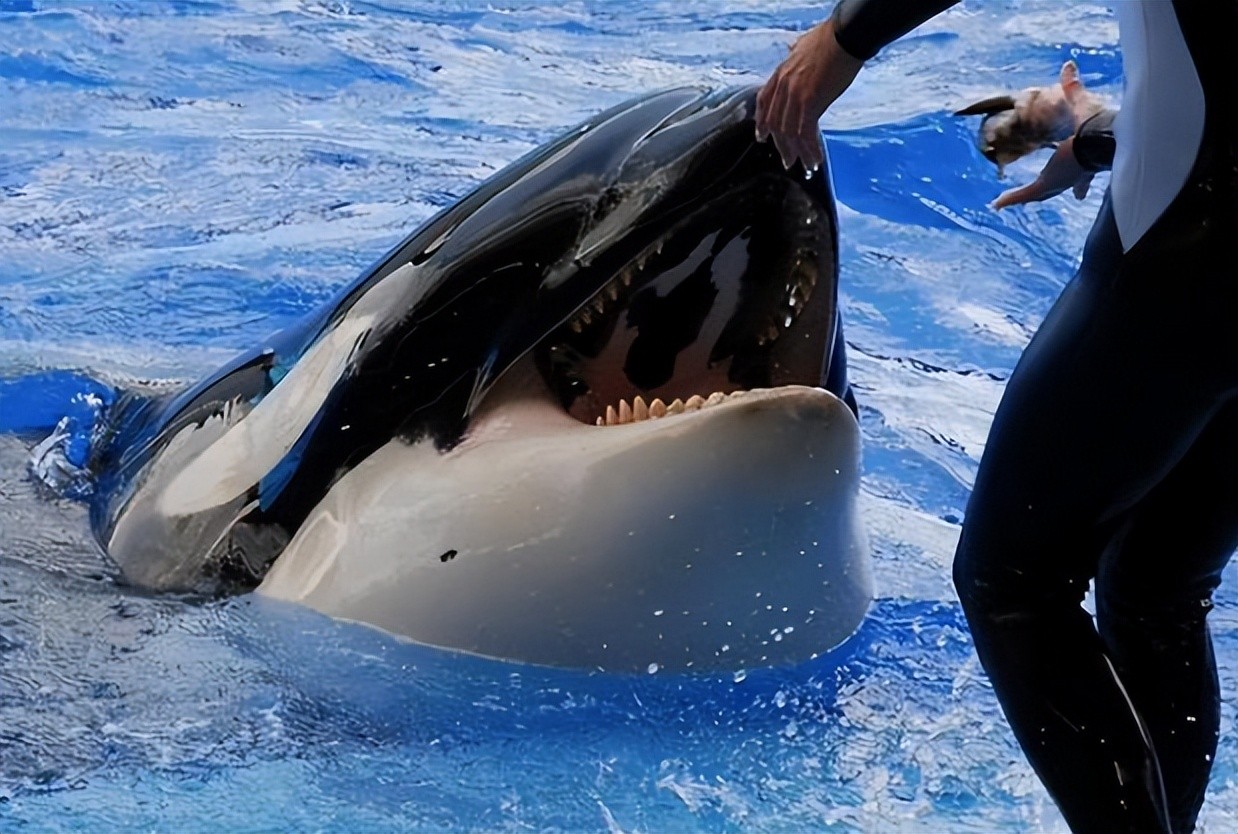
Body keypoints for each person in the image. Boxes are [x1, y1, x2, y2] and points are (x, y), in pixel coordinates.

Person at [755, 2, 1237, 832]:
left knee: (1012, 583)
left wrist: (843, 39)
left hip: (1186, 261)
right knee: (1156, 586)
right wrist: (1096, 134)